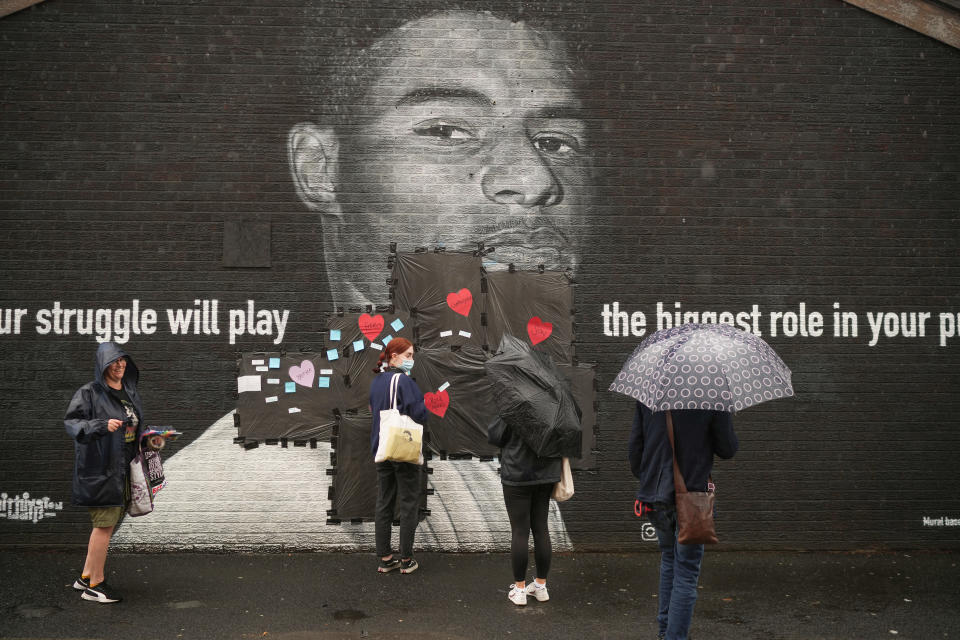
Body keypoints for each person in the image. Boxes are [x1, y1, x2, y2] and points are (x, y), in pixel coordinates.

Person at [112, 6, 584, 553]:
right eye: (447, 130)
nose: (534, 178)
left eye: (556, 141)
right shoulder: (261, 495)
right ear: (321, 170)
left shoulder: (490, 426)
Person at [628, 403, 739, 640]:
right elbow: (728, 448)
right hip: (692, 497)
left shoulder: (652, 392)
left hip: (655, 496)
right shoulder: (711, 396)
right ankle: (674, 636)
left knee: (669, 559)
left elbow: (635, 448)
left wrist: (650, 479)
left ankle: (664, 631)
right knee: (687, 571)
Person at [63, 342, 144, 604]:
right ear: (103, 364)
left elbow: (131, 429)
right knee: (104, 526)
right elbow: (73, 424)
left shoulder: (128, 391)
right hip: (100, 468)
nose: (120, 365)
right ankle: (95, 586)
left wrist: (151, 437)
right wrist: (101, 425)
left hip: (121, 468)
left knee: (107, 524)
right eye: (114, 361)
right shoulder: (90, 392)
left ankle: (86, 576)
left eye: (123, 360)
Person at [369, 337, 428, 574]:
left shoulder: (376, 382)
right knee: (408, 503)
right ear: (394, 356)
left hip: (382, 449)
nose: (411, 360)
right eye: (408, 356)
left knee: (384, 502)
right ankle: (406, 559)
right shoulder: (403, 382)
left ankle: (385, 558)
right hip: (403, 450)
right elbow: (419, 413)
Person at [488, 415, 560, 606]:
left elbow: (495, 435)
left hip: (517, 474)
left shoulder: (514, 404)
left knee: (520, 531)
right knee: (541, 528)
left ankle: (519, 590)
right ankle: (541, 587)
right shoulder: (552, 404)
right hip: (545, 474)